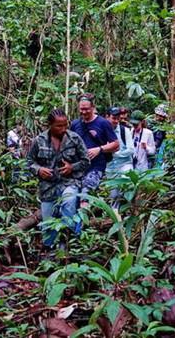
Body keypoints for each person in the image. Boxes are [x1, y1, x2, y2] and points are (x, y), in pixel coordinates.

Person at [27, 109, 90, 248]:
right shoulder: (39, 140)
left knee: (69, 202)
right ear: (50, 124)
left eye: (65, 125)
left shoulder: (74, 138)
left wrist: (72, 167)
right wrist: (39, 170)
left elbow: (86, 161)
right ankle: (48, 250)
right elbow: (29, 162)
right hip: (48, 187)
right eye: (59, 126)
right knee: (48, 223)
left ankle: (66, 244)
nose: (63, 129)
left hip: (70, 182)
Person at [70, 93, 119, 206]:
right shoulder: (75, 124)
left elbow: (116, 145)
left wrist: (99, 149)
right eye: (81, 109)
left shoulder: (103, 123)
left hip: (96, 167)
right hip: (78, 168)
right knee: (73, 198)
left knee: (85, 196)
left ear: (93, 107)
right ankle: (77, 222)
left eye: (86, 109)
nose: (84, 112)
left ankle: (81, 223)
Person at [107, 107, 134, 208]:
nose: (116, 121)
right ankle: (116, 216)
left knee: (127, 181)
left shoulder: (125, 130)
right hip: (110, 168)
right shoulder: (102, 130)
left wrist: (116, 154)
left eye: (118, 118)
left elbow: (131, 149)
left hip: (124, 164)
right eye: (114, 118)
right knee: (114, 195)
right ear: (107, 117)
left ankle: (129, 210)